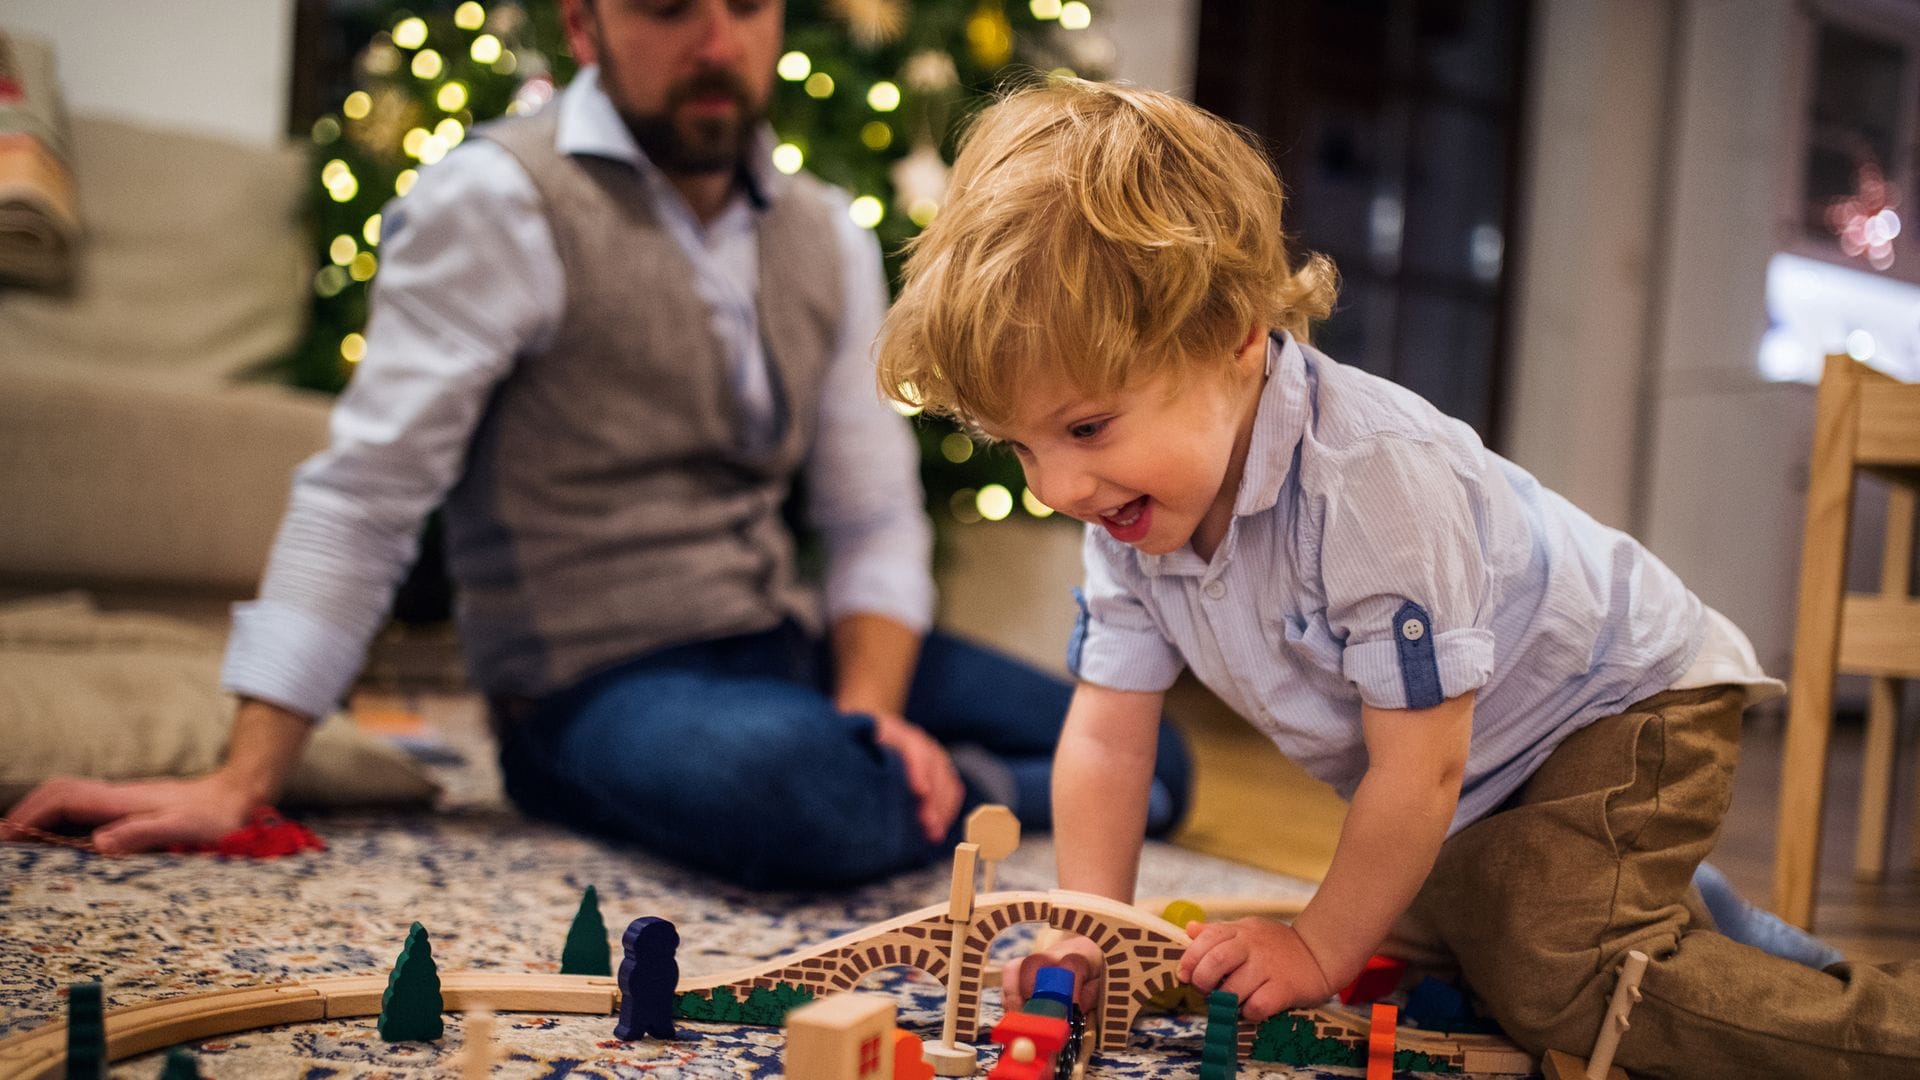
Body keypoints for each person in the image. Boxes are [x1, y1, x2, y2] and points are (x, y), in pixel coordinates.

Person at [1, 0, 1190, 889]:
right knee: (798, 795)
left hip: (791, 649)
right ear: (583, 24)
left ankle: (905, 772)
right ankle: (930, 785)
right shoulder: (494, 204)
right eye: (669, 6)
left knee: (1161, 758)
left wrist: (875, 711)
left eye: (746, 6)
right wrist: (239, 778)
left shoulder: (824, 230)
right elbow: (365, 496)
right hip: (595, 686)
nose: (716, 39)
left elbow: (872, 513)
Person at [874, 78, 1919, 1077]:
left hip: (1623, 708)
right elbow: (1106, 735)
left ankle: (1885, 1031)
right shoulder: (1127, 514)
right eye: (1020, 448)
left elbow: (1418, 773)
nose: (1057, 485)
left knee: (1552, 975)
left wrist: (1322, 952)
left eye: (1088, 426)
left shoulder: (1367, 483)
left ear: (1236, 335)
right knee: (1435, 932)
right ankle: (1689, 916)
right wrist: (1087, 931)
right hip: (1479, 771)